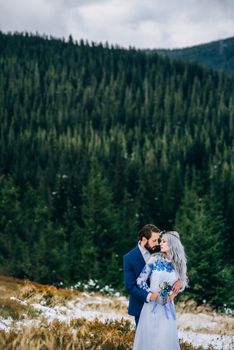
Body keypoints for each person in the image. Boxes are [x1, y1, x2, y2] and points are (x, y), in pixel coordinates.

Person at [132, 231, 188, 350]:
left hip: (167, 307)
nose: (160, 244)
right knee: (150, 340)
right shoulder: (154, 259)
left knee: (164, 341)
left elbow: (182, 284)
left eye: (163, 241)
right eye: (160, 241)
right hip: (151, 306)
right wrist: (151, 294)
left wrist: (180, 283)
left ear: (172, 244)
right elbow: (140, 281)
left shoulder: (179, 263)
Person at [123, 225, 182, 326]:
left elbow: (178, 265)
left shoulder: (162, 249)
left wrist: (180, 281)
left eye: (158, 240)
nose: (158, 243)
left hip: (163, 306)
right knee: (145, 339)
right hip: (141, 305)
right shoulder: (129, 258)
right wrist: (149, 296)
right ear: (144, 239)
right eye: (154, 240)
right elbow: (130, 286)